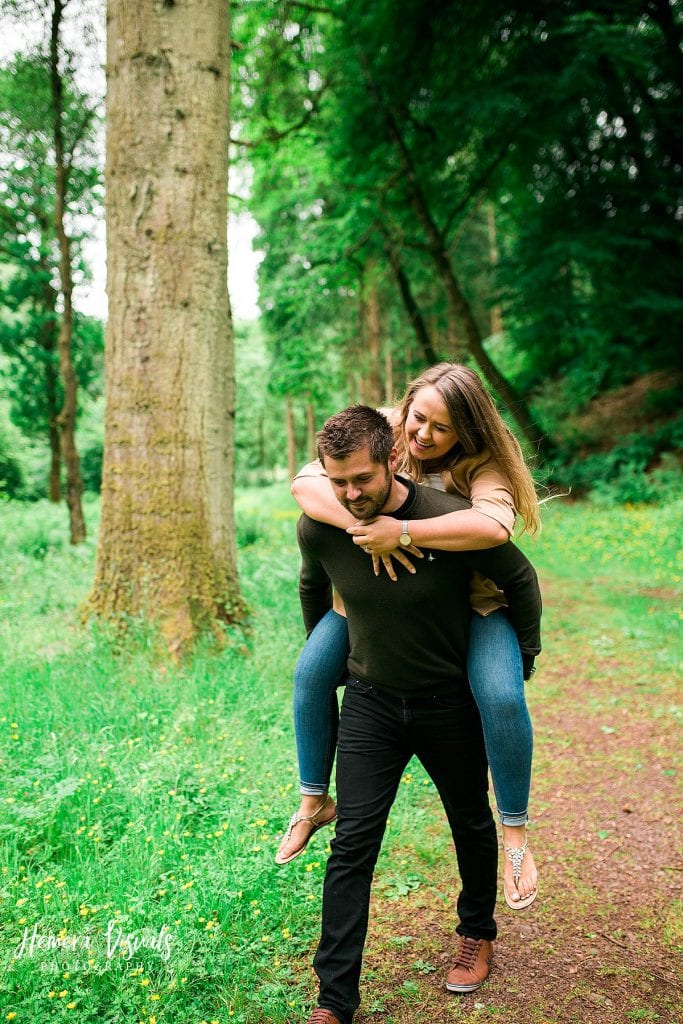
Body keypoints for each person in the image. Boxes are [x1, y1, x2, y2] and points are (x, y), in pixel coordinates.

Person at [297, 405, 542, 1024]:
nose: (351, 494)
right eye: (339, 481)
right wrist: (335, 656)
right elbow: (313, 583)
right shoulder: (323, 524)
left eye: (362, 479)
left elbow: (520, 577)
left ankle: (476, 932)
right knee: (352, 842)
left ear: (392, 460)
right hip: (371, 705)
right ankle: (334, 1000)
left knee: (469, 820)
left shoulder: (446, 522)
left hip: (447, 702)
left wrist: (525, 656)